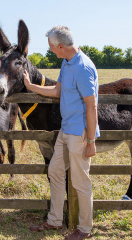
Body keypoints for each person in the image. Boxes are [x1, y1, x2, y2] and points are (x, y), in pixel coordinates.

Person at [26, 26, 99, 240]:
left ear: (60, 46)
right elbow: (57, 91)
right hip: (65, 130)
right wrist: (31, 87)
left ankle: (84, 229)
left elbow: (91, 106)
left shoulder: (83, 67)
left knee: (80, 182)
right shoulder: (66, 63)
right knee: (55, 171)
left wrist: (91, 140)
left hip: (79, 133)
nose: (50, 51)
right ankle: (55, 220)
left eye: (51, 47)